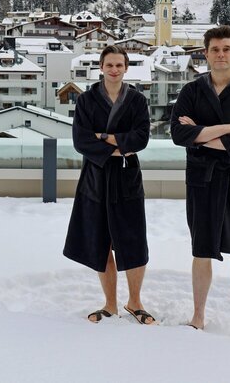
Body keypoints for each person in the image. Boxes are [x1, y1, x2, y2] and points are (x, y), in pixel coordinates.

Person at [170, 26, 230, 347]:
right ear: (206, 54)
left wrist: (201, 135)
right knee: (201, 251)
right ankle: (198, 316)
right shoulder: (191, 91)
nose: (221, 55)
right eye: (214, 49)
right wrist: (226, 130)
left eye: (227, 49)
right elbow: (177, 134)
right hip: (202, 180)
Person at [64, 45, 155, 325]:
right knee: (101, 241)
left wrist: (104, 137)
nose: (114, 70)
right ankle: (110, 304)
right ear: (101, 67)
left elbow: (141, 138)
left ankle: (135, 302)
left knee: (133, 240)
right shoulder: (87, 100)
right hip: (96, 176)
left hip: (127, 176)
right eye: (109, 65)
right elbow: (81, 141)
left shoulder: (137, 101)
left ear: (126, 68)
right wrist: (120, 145)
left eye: (119, 65)